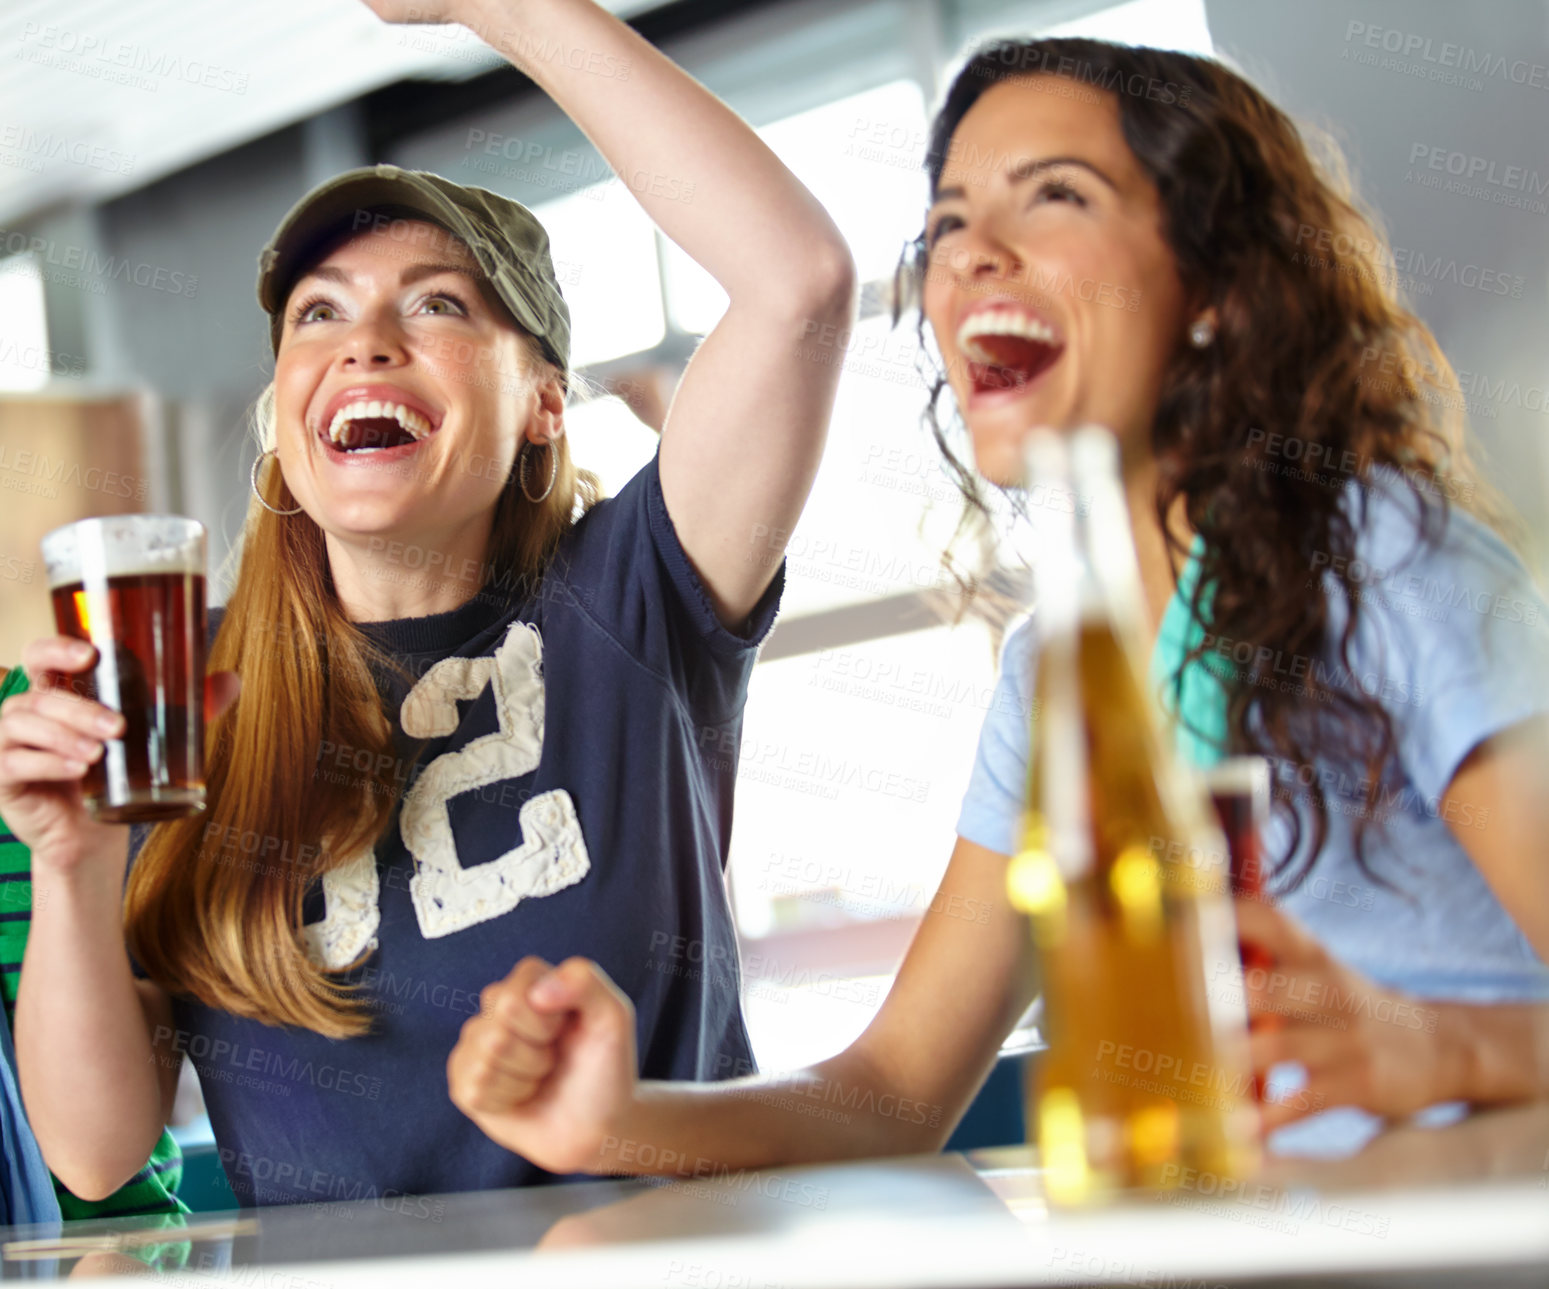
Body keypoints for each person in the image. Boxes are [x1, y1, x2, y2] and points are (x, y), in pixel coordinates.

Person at [442, 37, 1549, 1172]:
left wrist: (1452, 1049)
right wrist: (615, 1118)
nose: (972, 256)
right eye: (951, 221)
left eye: (1055, 195)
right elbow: (894, 1090)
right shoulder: (1056, 673)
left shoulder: (1382, 561)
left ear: (1216, 283)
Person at [0, 0, 854, 1207]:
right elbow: (94, 1148)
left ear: (545, 402)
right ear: (287, 407)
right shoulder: (182, 697)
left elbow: (800, 283)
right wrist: (76, 870)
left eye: (439, 304)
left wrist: (511, 10)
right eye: (320, 313)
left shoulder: (637, 594)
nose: (366, 343)